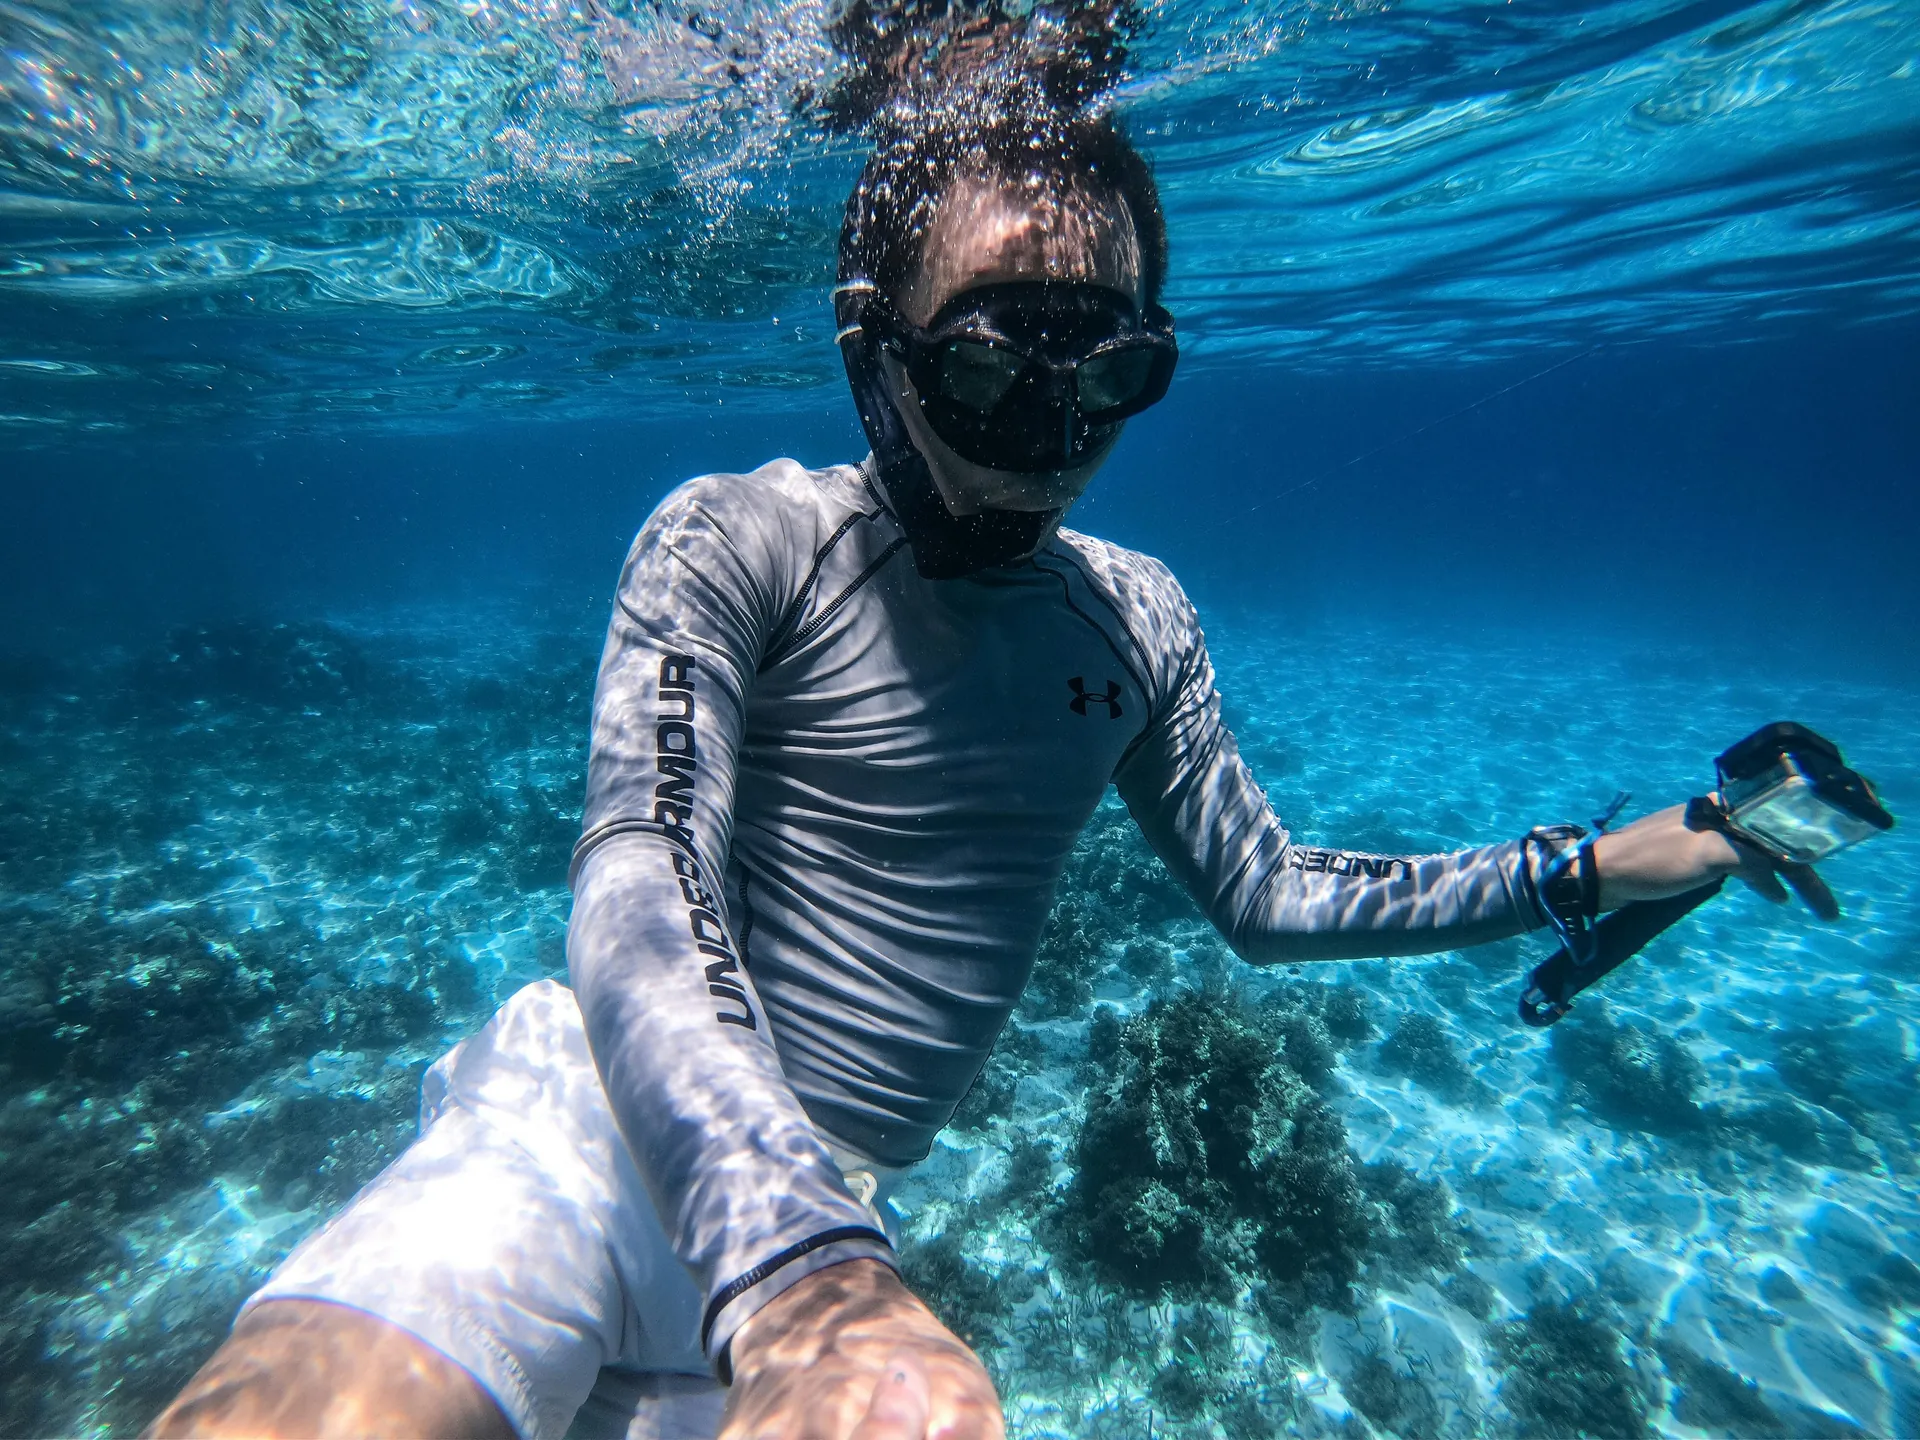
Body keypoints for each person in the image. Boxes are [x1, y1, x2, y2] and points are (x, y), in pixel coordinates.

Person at [148, 83, 1806, 1440]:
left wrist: (1582, 865)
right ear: (877, 353)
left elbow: (1270, 888)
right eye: (996, 363)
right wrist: (793, 1262)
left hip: (841, 1220)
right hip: (593, 1137)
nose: (1055, 434)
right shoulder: (743, 538)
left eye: (1111, 372)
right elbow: (640, 872)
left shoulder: (1137, 618)